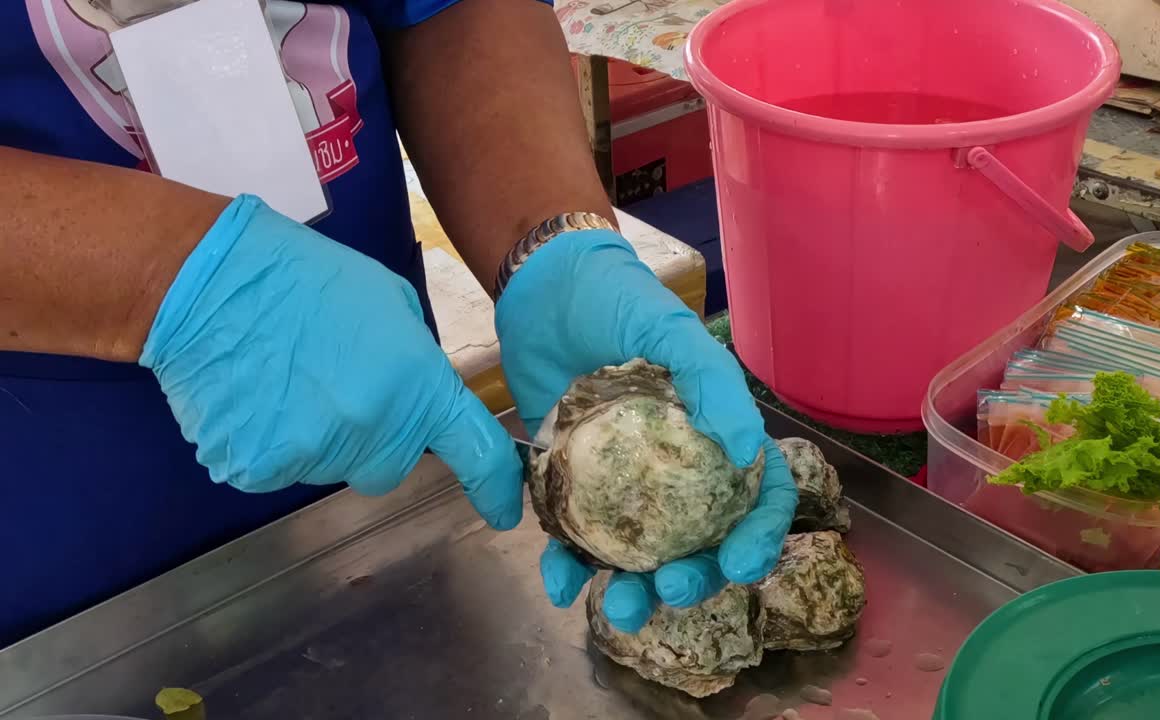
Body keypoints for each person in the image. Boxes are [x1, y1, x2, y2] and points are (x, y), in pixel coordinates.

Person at [0, 0, 797, 648]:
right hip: (49, 541)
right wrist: (159, 281)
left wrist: (546, 236)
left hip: (388, 451)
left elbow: (444, 7)